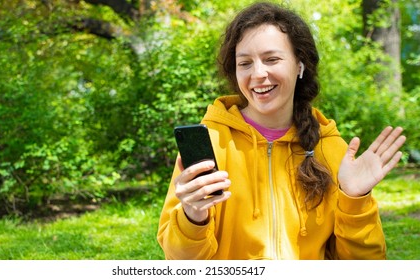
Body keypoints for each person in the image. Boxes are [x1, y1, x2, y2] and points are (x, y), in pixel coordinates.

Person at [157, 1, 406, 260]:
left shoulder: (330, 150)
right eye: (245, 63)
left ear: (300, 65)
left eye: (271, 59)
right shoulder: (211, 144)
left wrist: (355, 201)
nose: (258, 73)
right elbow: (180, 263)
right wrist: (192, 216)